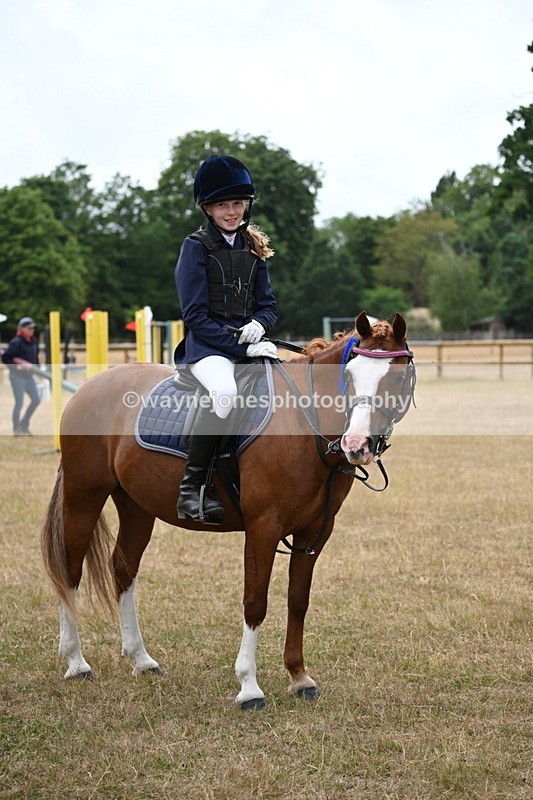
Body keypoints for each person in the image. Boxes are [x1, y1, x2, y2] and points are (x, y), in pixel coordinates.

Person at [174, 154, 279, 521]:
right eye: (223, 205)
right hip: (207, 350)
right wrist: (241, 344)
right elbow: (195, 317)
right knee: (225, 394)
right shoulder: (195, 247)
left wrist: (261, 326)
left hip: (248, 345)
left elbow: (268, 305)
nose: (232, 211)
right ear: (208, 208)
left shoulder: (253, 248)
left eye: (237, 203)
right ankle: (191, 489)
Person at [1, 317, 41, 435]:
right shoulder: (16, 342)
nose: (32, 330)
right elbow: (6, 357)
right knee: (19, 402)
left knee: (36, 400)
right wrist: (16, 366)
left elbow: (35, 358)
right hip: (17, 376)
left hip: (29, 376)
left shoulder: (34, 341)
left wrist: (38, 370)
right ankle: (16, 429)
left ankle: (24, 424)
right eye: (29, 328)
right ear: (22, 328)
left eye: (33, 328)